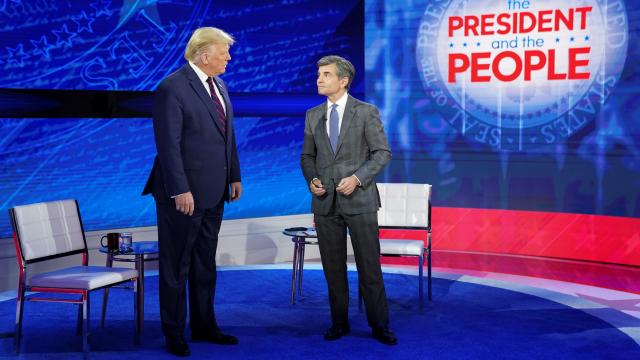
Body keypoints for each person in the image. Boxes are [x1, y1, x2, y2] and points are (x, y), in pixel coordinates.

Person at [142, 27, 242, 357]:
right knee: (176, 266)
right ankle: (174, 331)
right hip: (182, 195)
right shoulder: (172, 87)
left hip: (215, 191)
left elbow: (227, 135)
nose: (228, 58)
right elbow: (168, 145)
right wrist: (179, 189)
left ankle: (204, 325)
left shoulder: (220, 86)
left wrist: (235, 176)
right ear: (203, 55)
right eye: (223, 52)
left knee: (204, 264)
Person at [300, 55, 396, 345]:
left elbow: (382, 153)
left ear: (343, 81)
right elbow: (307, 157)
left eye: (326, 74)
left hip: (360, 200)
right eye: (319, 74)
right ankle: (338, 322)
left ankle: (379, 325)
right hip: (325, 203)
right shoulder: (313, 114)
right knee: (332, 267)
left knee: (369, 266)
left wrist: (357, 178)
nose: (319, 79)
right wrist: (312, 180)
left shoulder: (366, 112)